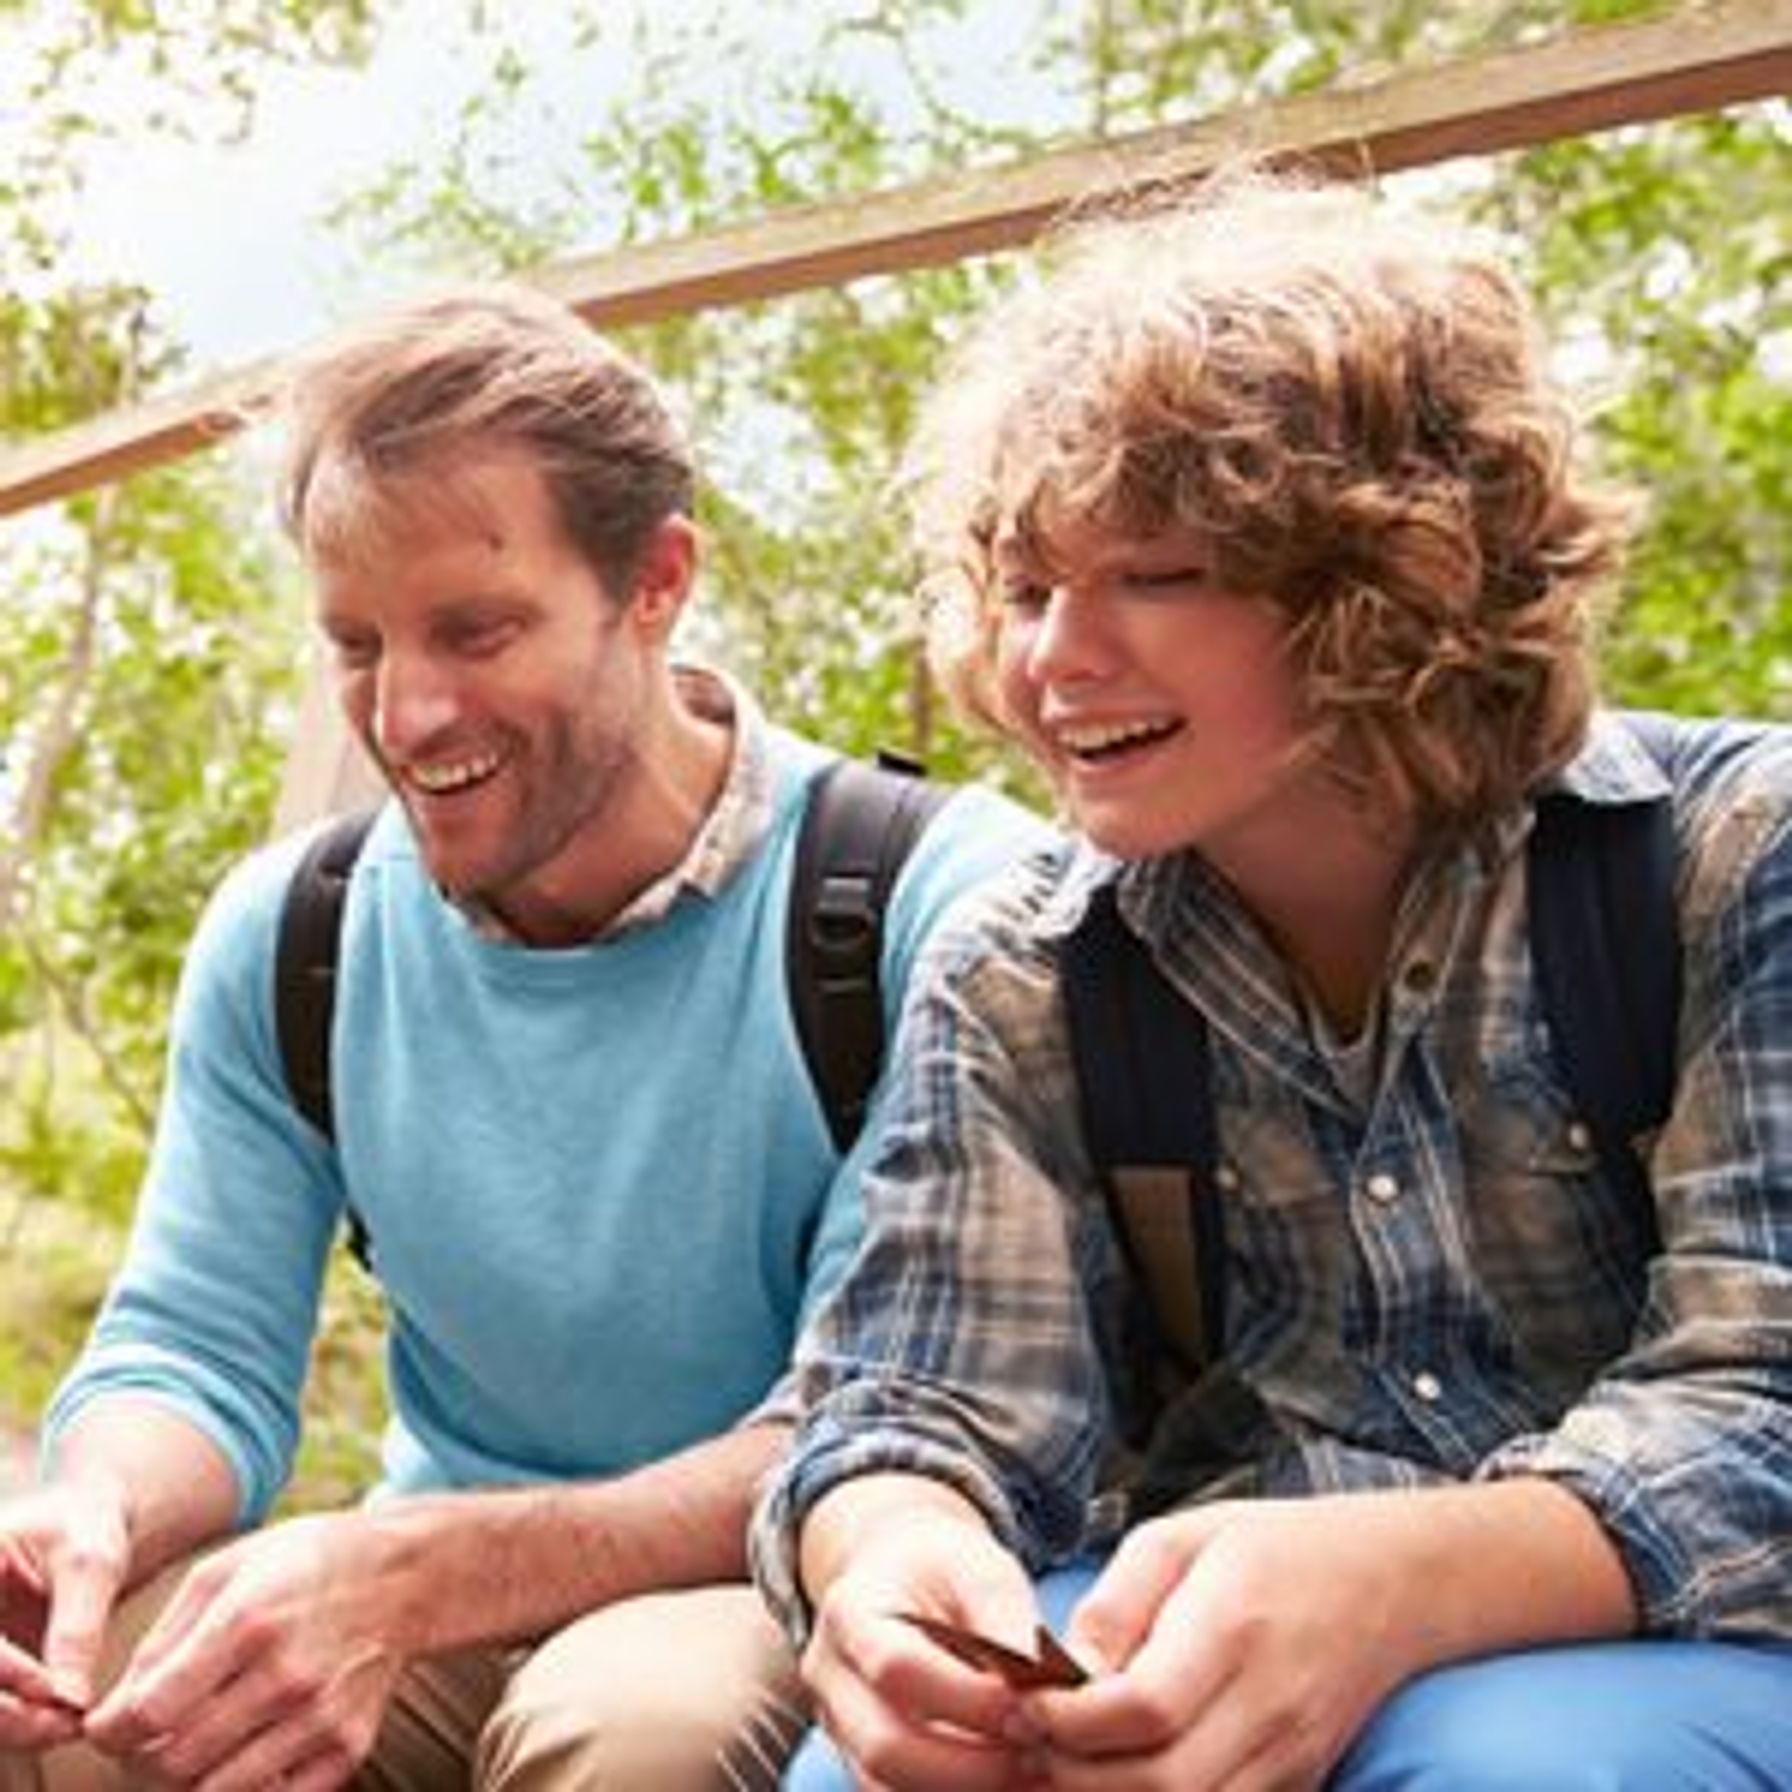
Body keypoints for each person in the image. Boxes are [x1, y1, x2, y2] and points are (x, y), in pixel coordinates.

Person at [752, 170, 1792, 1790]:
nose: (1055, 658)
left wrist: (1400, 1584)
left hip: (1688, 1637)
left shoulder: (1731, 859)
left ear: (1396, 579)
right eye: (1027, 590)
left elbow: (1769, 1408)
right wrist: (890, 1560)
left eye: (1154, 576)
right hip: (1211, 1613)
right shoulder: (1028, 964)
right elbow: (921, 1396)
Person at [0, 283, 1050, 1791]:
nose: (409, 713)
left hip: (792, 1570)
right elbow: (196, 1348)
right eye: (357, 643)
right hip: (439, 1566)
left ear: (656, 581)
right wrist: (92, 1511)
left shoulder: (929, 903)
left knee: (631, 1736)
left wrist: (424, 1573)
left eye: (476, 630)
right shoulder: (292, 939)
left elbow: (871, 1422)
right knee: (97, 1712)